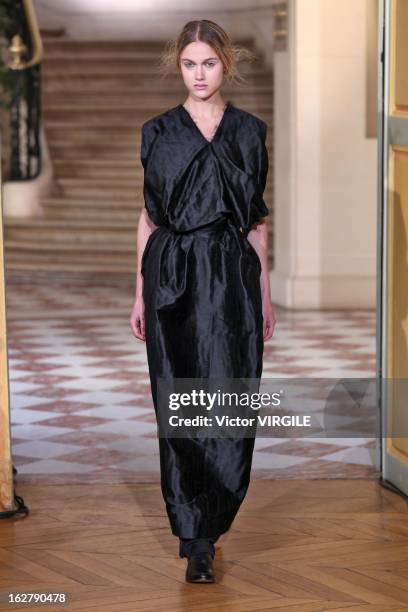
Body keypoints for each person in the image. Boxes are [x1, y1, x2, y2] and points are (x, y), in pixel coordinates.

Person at [130, 19, 276, 583]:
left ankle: (216, 519)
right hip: (172, 274)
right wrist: (138, 292)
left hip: (232, 278)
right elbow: (147, 218)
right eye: (189, 64)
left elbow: (255, 225)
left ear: (226, 64)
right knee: (178, 398)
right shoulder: (158, 132)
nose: (199, 74)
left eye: (209, 64)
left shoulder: (247, 131)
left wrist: (264, 293)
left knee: (232, 397)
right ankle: (195, 538)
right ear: (178, 65)